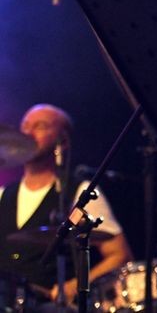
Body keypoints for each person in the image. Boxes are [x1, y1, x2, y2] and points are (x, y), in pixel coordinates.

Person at [0, 104, 134, 311]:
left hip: (47, 305)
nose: (28, 132)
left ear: (62, 141)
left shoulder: (79, 191)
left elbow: (119, 254)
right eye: (25, 125)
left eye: (40, 126)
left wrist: (74, 286)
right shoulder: (3, 194)